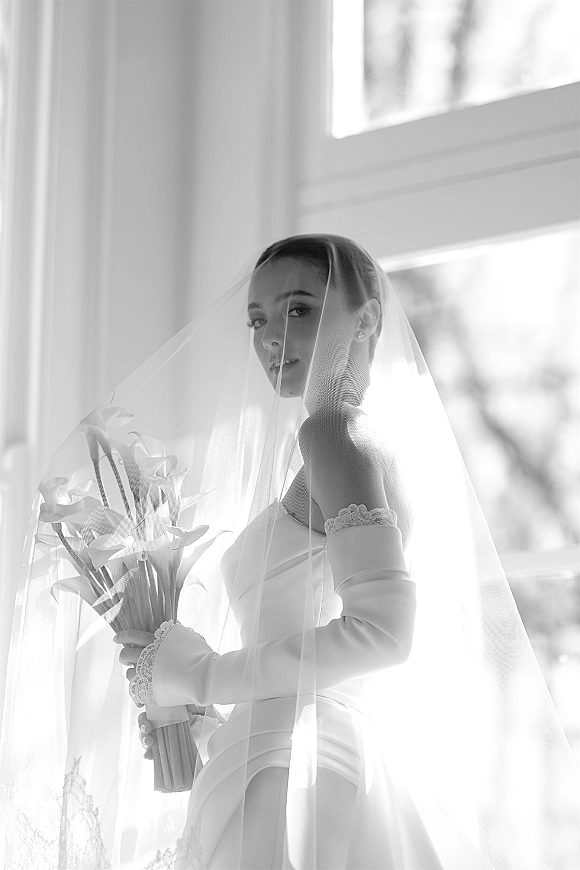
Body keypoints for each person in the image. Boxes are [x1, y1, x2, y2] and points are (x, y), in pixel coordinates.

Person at [0, 235, 577, 869]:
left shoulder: (332, 434)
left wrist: (200, 672)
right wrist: (200, 712)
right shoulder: (345, 443)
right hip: (293, 758)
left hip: (300, 774)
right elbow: (311, 658)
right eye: (257, 319)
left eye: (298, 308)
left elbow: (383, 636)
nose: (272, 337)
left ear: (369, 319)